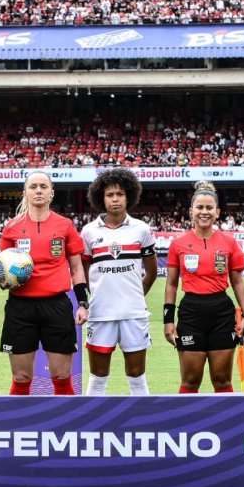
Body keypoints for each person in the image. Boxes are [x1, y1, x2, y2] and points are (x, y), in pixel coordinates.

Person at [0, 170, 89, 395]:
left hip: (56, 306)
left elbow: (77, 268)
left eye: (43, 187)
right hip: (20, 307)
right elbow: (2, 269)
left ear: (51, 193)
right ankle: (19, 426)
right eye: (33, 187)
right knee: (21, 377)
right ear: (25, 193)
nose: (38, 191)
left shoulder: (65, 225)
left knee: (61, 376)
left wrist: (82, 303)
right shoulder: (12, 227)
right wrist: (5, 281)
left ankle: (67, 425)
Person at [163, 181, 244, 393]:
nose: (204, 212)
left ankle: (228, 426)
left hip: (221, 311)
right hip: (191, 312)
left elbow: (238, 281)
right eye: (200, 207)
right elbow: (172, 284)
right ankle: (185, 424)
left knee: (222, 380)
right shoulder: (178, 244)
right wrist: (168, 320)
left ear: (217, 212)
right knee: (190, 380)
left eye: (209, 208)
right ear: (191, 211)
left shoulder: (229, 243)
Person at [80, 168, 157, 395]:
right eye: (110, 195)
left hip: (134, 314)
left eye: (120, 194)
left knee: (137, 376)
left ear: (129, 196)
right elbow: (82, 272)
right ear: (101, 198)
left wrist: (134, 295)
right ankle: (92, 427)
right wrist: (91, 298)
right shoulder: (89, 232)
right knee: (98, 377)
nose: (115, 199)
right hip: (100, 314)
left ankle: (142, 424)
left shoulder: (141, 230)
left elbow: (151, 272)